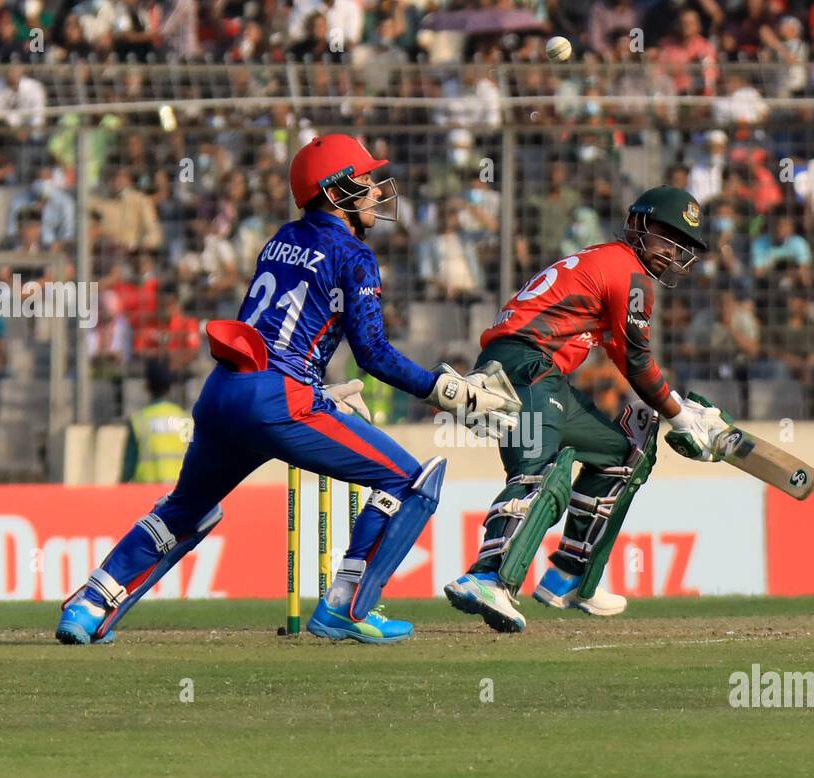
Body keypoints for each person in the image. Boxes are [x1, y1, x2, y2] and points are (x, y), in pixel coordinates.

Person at [56, 134, 519, 646]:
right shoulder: (355, 256)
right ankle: (344, 607)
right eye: (363, 181)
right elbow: (375, 356)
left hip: (225, 392)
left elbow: (284, 327)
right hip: (280, 399)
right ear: (335, 190)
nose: (374, 191)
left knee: (186, 509)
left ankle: (88, 604)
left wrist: (322, 386)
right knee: (409, 481)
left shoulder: (282, 237)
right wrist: (444, 390)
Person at [443, 186, 734, 633]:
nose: (672, 252)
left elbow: (623, 354)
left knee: (624, 451)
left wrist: (676, 409)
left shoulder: (609, 261)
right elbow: (637, 361)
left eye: (683, 247)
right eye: (666, 237)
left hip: (535, 369)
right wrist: (680, 415)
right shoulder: (631, 273)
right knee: (538, 471)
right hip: (527, 366)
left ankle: (569, 574)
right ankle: (486, 578)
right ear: (638, 225)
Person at [122, 361, 190, 483]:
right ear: (170, 387)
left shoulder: (139, 420)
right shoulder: (185, 419)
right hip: (178, 494)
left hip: (146, 493)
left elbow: (128, 466)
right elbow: (196, 460)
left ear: (147, 387)